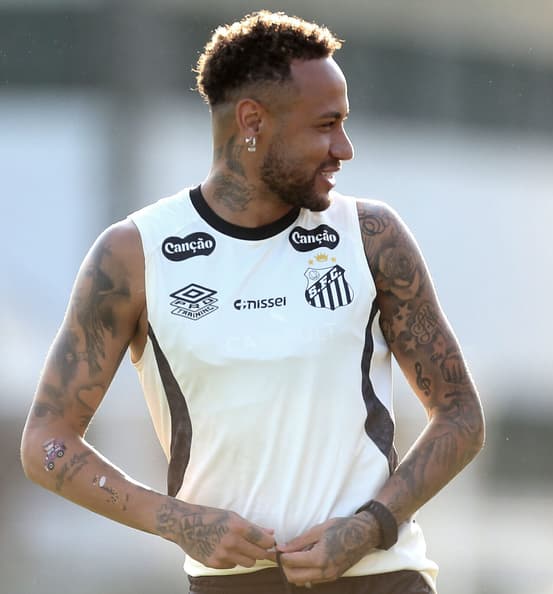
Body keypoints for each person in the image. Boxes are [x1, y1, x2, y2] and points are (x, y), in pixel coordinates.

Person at [20, 10, 484, 594]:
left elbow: (462, 417)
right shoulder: (134, 253)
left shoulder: (371, 235)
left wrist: (370, 527)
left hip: (381, 579)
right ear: (252, 121)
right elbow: (47, 444)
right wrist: (177, 521)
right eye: (326, 125)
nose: (345, 147)